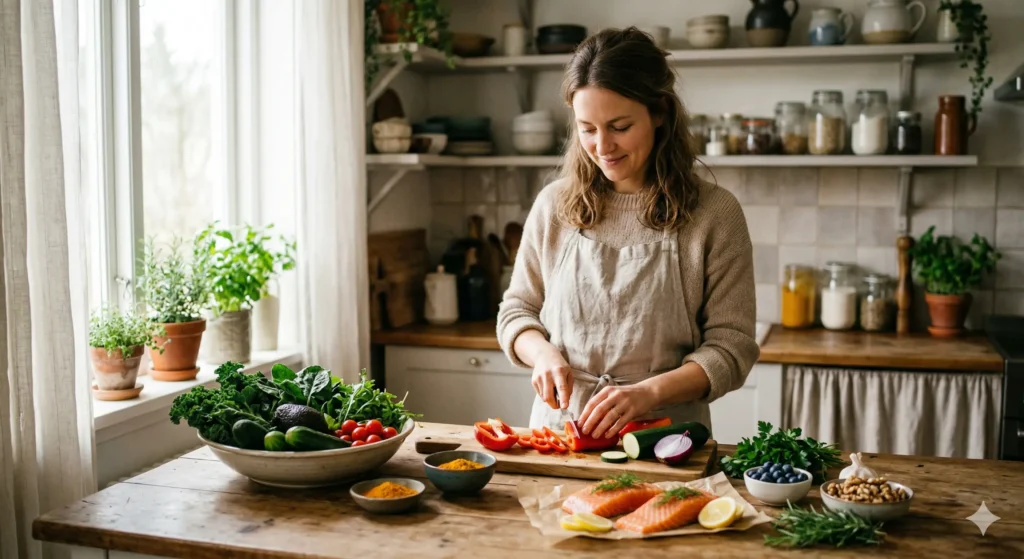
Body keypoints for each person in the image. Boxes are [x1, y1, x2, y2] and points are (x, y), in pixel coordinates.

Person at [496, 27, 760, 441]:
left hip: (666, 437)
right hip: (562, 434)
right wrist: (542, 354)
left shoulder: (714, 214)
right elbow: (517, 311)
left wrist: (648, 393)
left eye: (619, 126)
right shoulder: (554, 205)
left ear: (659, 114)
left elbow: (732, 347)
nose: (602, 146)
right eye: (587, 128)